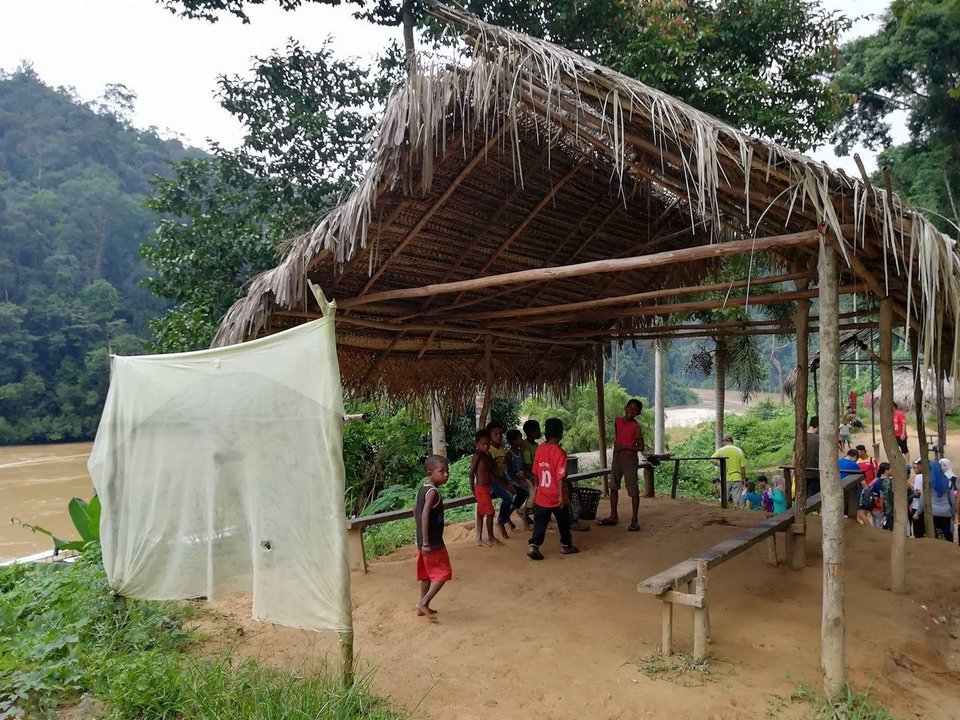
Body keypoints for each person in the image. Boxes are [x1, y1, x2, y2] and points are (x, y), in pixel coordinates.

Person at [528, 417, 579, 560]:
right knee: (563, 522)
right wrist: (562, 497)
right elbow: (560, 477)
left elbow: (535, 472)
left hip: (542, 495)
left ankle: (534, 546)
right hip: (556, 495)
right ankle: (566, 546)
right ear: (560, 433)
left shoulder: (540, 449)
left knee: (540, 522)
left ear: (546, 433)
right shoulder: (560, 452)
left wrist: (537, 488)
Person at [599, 398, 645, 531]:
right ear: (625, 408)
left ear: (637, 413)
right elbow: (618, 436)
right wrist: (620, 447)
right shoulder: (618, 421)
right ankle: (613, 516)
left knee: (633, 490)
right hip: (617, 457)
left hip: (629, 459)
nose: (631, 410)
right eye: (629, 407)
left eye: (634, 409)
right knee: (613, 486)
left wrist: (624, 446)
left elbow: (641, 447)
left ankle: (634, 520)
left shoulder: (636, 427)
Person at [415, 455, 452, 617]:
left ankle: (422, 606)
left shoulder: (423, 488)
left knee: (426, 576)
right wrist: (427, 542)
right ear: (430, 473)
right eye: (441, 471)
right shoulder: (432, 492)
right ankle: (423, 602)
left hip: (422, 541)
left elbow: (415, 511)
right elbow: (424, 515)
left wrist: (421, 538)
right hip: (433, 543)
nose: (446, 474)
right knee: (443, 572)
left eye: (447, 471)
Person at [469, 429, 502, 546]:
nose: (486, 446)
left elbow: (490, 472)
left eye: (488, 443)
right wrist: (472, 489)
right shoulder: (477, 456)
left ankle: (479, 538)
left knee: (480, 513)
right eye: (483, 444)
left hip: (487, 488)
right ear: (476, 444)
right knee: (491, 513)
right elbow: (471, 473)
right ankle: (491, 537)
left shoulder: (487, 456)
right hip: (480, 488)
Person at [486, 422, 516, 538]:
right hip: (491, 482)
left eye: (500, 434)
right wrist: (505, 486)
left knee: (521, 492)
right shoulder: (490, 451)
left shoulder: (503, 451)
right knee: (508, 496)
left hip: (501, 480)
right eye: (496, 434)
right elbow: (490, 475)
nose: (499, 436)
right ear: (489, 436)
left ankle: (507, 516)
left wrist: (508, 483)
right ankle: (501, 522)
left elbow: (503, 471)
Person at [504, 428, 532, 530]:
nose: (522, 440)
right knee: (524, 492)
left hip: (521, 478)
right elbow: (510, 473)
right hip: (512, 480)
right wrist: (520, 482)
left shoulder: (520, 451)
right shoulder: (509, 454)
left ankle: (522, 512)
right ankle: (514, 513)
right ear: (514, 441)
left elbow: (523, 467)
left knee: (533, 491)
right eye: (520, 438)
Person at [929, 459, 957, 541]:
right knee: (946, 534)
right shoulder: (948, 482)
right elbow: (953, 501)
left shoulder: (929, 483)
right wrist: (953, 514)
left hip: (933, 511)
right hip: (946, 512)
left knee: (934, 535)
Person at [805, 416, 821, 499]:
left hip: (801, 473)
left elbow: (794, 456)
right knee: (813, 499)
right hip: (815, 473)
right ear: (818, 426)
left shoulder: (800, 437)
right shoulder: (819, 439)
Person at [877, 462, 895, 531]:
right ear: (886, 471)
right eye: (891, 469)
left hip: (876, 509)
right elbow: (882, 497)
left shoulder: (876, 481)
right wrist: (882, 509)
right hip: (885, 509)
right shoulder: (886, 482)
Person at [909, 459, 924, 538]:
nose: (915, 470)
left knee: (918, 532)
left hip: (917, 507)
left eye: (916, 467)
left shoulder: (919, 477)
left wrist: (911, 488)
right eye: (913, 468)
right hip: (925, 506)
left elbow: (917, 493)